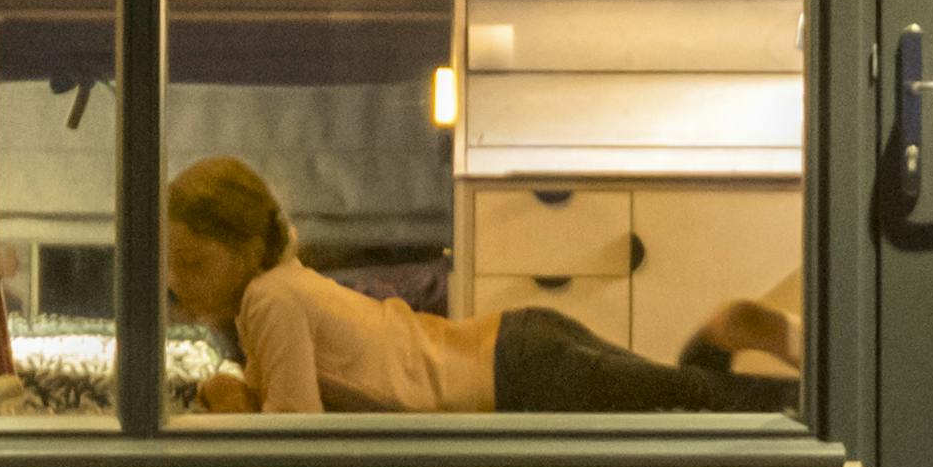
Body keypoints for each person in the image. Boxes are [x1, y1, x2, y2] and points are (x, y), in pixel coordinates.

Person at [164, 156, 802, 419]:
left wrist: (228, 405)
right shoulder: (279, 291)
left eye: (192, 262)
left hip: (520, 372)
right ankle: (720, 336)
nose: (176, 281)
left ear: (246, 247)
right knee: (686, 405)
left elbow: (293, 444)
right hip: (517, 351)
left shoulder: (267, 299)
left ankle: (818, 402)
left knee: (694, 407)